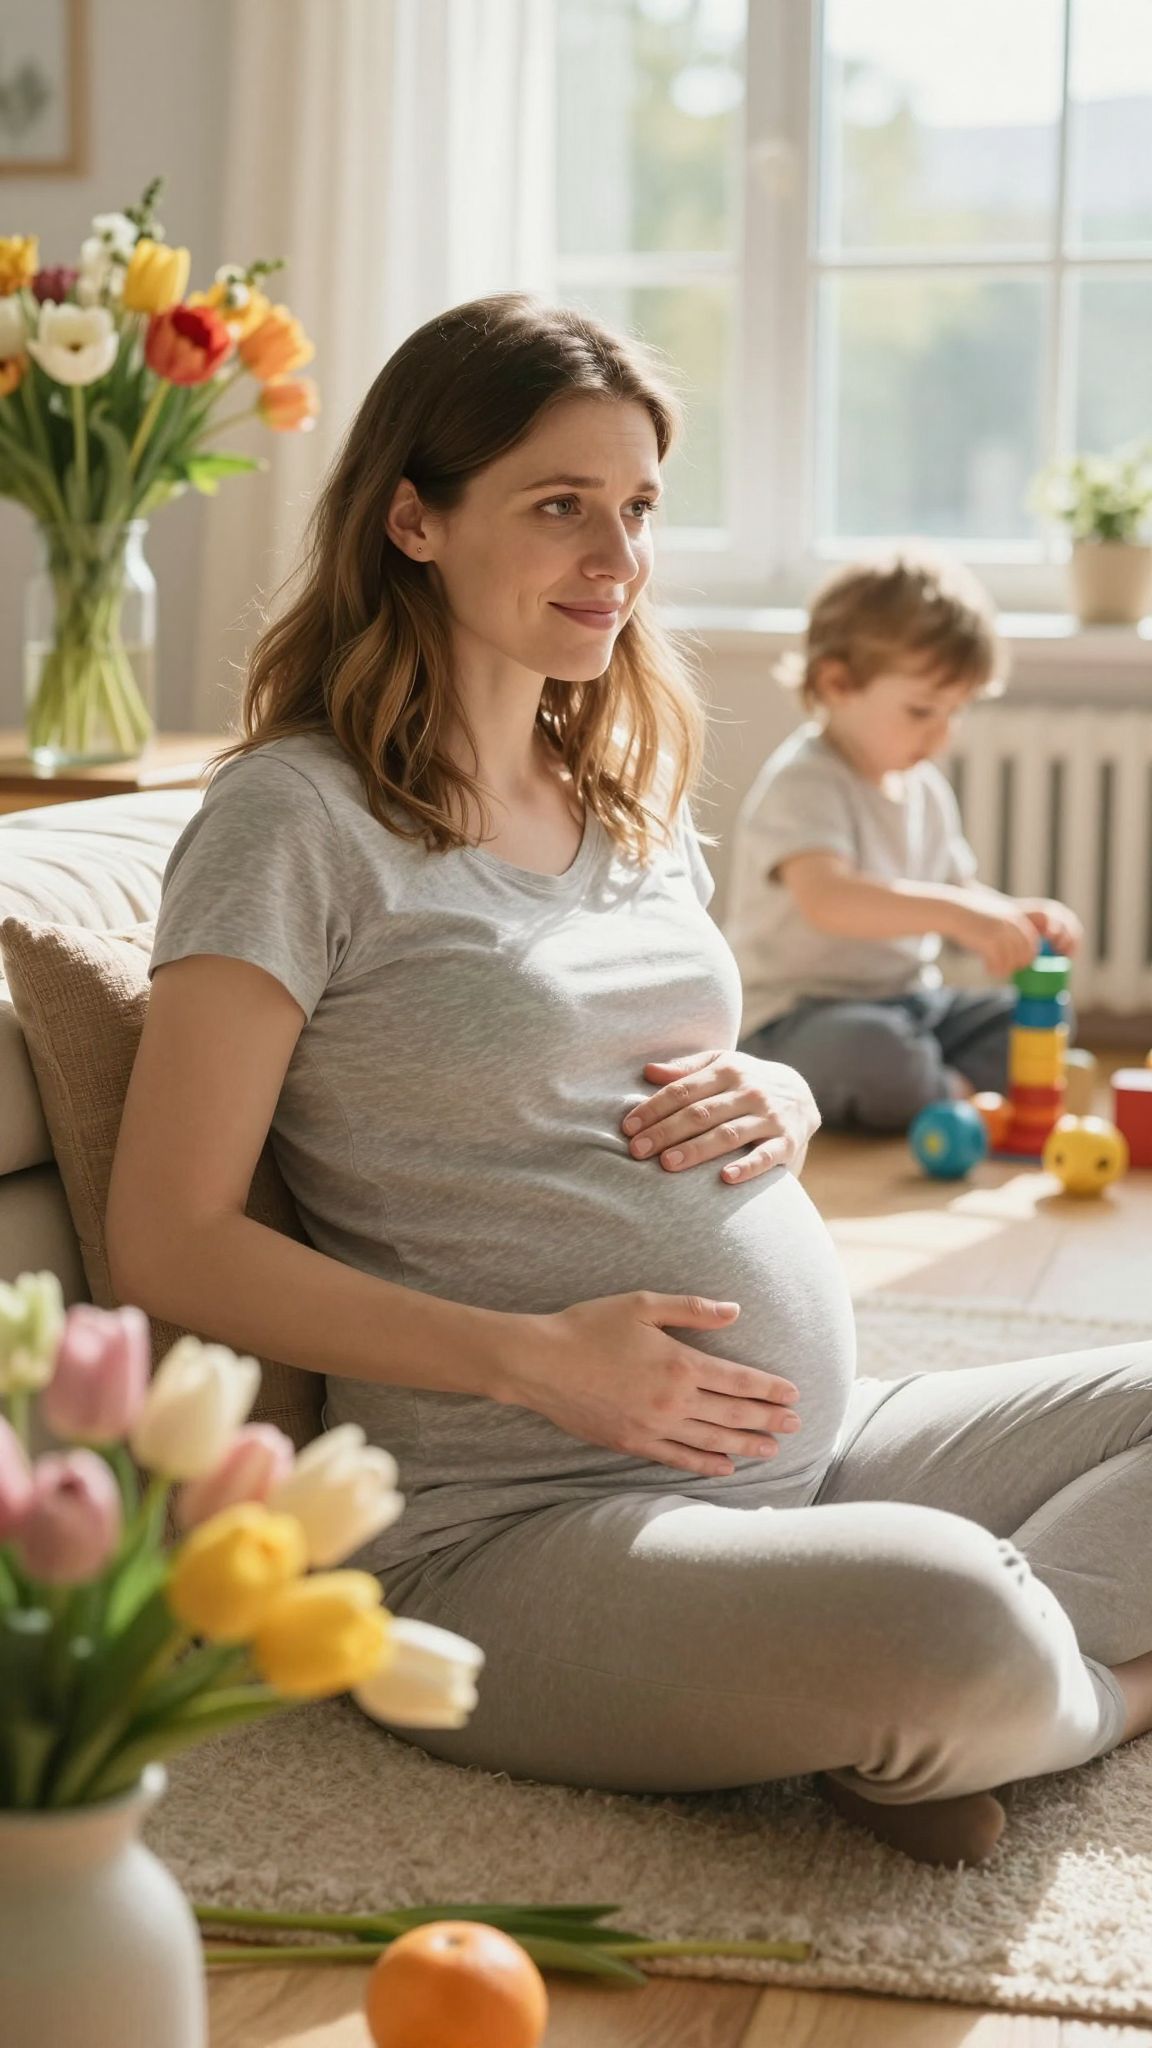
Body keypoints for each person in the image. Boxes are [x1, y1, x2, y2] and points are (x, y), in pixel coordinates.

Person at [106, 295, 1152, 1871]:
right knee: (943, 1613)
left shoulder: (622, 795)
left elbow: (663, 1058)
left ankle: (915, 1677)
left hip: (814, 1443)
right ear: (413, 519)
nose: (617, 555)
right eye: (558, 506)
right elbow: (167, 1238)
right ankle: (1078, 1690)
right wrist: (533, 1361)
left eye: (640, 508)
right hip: (516, 1529)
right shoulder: (291, 821)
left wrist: (786, 1099)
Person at [726, 552, 1083, 1130]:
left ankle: (937, 1091)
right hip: (798, 1017)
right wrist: (959, 914)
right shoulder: (804, 782)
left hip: (912, 1004)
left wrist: (1011, 916)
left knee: (1037, 1017)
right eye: (921, 710)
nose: (941, 733)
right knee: (868, 1051)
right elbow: (830, 899)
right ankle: (946, 1096)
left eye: (955, 712)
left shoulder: (925, 790)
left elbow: (956, 887)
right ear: (836, 683)